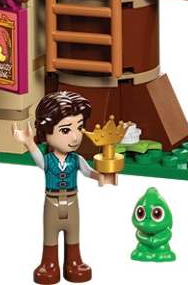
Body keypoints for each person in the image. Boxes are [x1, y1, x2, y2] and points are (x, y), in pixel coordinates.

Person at [13, 89, 117, 283]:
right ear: (46, 131)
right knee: (50, 235)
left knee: (73, 234)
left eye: (79, 127)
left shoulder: (76, 159)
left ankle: (74, 262)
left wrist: (101, 177)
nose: (75, 137)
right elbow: (39, 161)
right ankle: (49, 264)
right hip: (52, 203)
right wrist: (28, 143)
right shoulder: (48, 160)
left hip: (72, 202)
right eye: (66, 130)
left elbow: (88, 172)